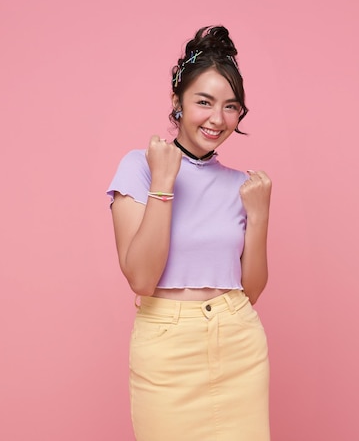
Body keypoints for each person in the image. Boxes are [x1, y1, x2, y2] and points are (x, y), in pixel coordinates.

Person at [106, 25, 272, 441]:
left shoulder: (243, 186)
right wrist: (164, 181)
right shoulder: (140, 166)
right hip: (167, 349)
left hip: (239, 344)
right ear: (177, 101)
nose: (217, 119)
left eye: (231, 107)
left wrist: (260, 217)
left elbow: (250, 289)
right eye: (204, 102)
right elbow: (141, 278)